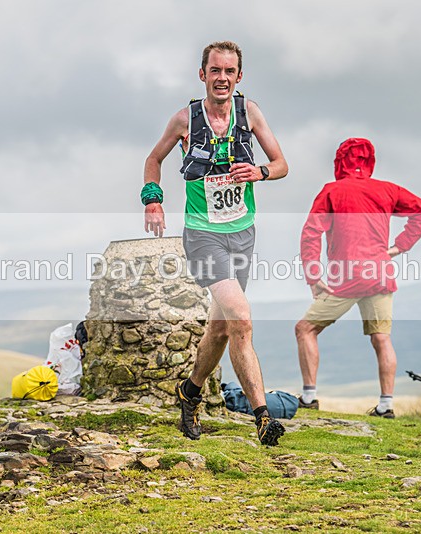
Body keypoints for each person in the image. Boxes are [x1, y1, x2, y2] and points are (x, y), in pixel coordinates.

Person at [142, 41, 288, 445]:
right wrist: (153, 201)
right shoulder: (184, 119)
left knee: (222, 327)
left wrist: (259, 172)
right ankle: (262, 418)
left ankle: (189, 393)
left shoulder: (249, 112)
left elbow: (281, 164)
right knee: (241, 317)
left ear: (238, 77)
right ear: (202, 74)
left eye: (229, 72)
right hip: (203, 234)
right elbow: (153, 160)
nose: (221, 78)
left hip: (242, 233)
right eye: (214, 71)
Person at [295, 138, 421, 417]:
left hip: (345, 277)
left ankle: (309, 398)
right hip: (380, 273)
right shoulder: (387, 190)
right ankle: (386, 405)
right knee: (382, 338)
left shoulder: (332, 191)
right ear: (370, 161)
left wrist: (313, 274)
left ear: (340, 161)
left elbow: (311, 231)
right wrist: (399, 247)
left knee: (305, 329)